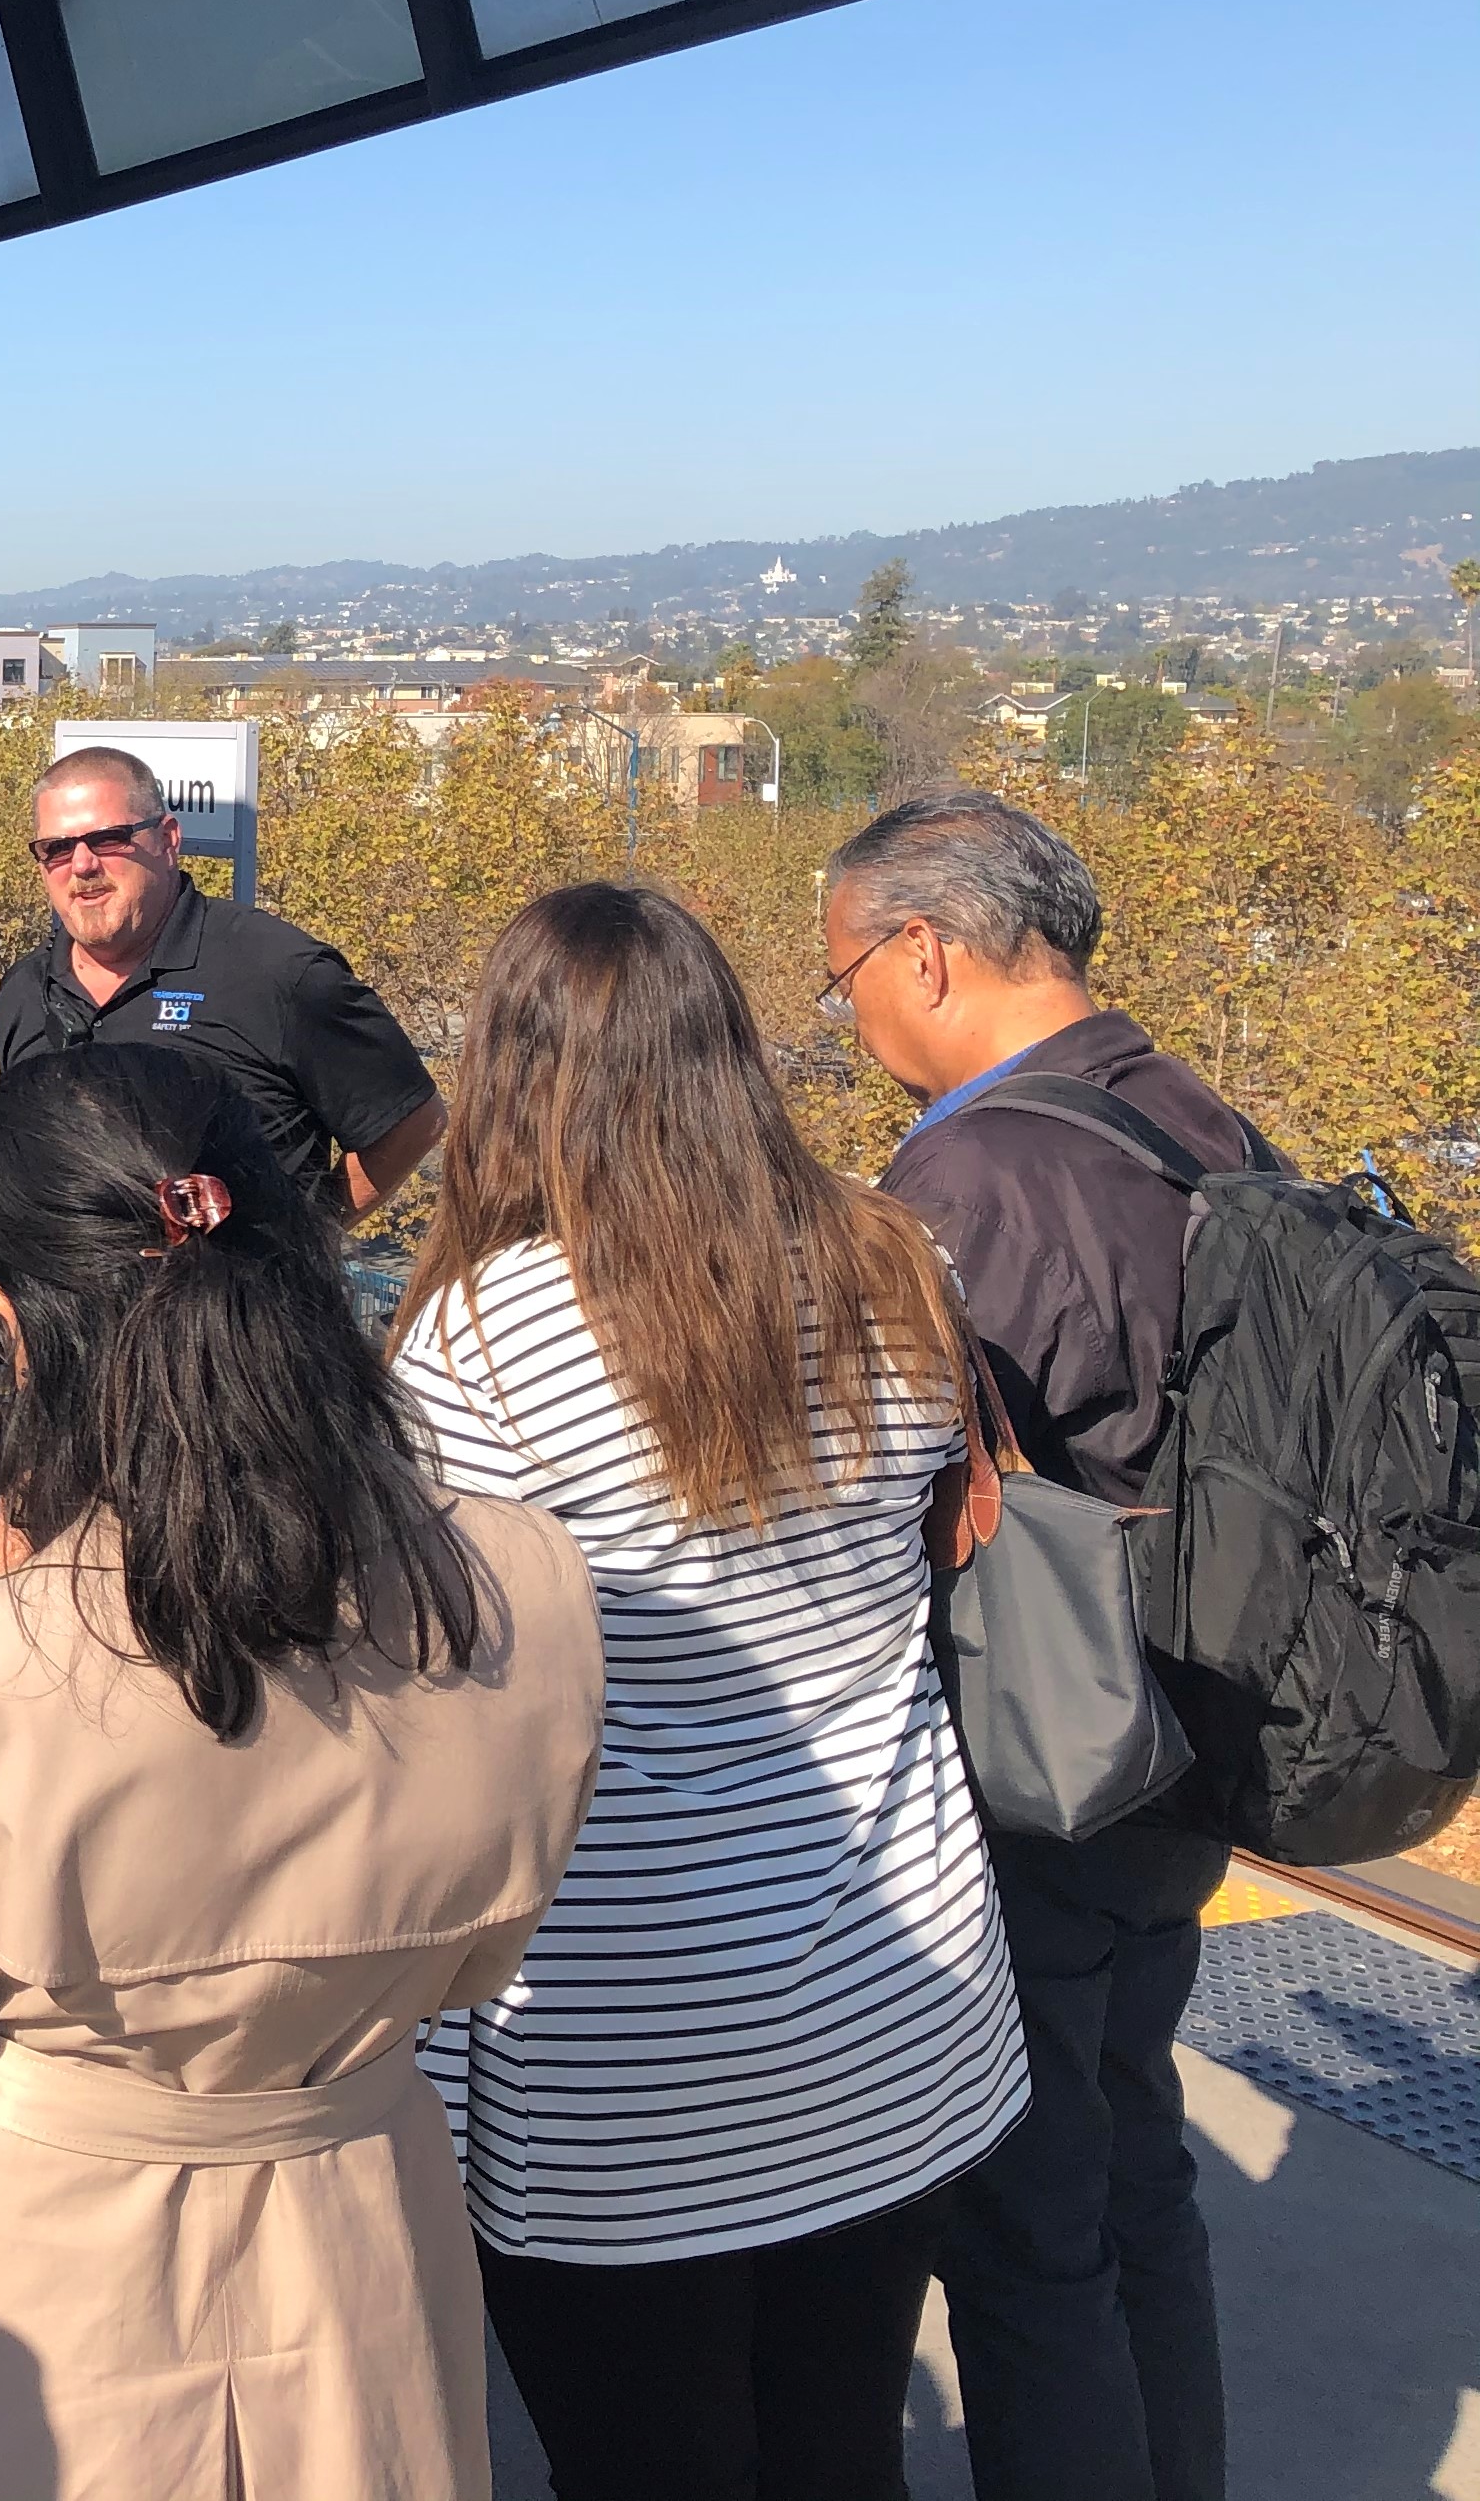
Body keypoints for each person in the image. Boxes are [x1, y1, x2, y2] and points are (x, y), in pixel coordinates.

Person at [0, 1043, 602, 2501]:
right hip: (361, 2253)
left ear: (15, 1326)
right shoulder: (521, 1586)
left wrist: (6, 1615)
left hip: (29, 2300)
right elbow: (473, 1959)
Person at [390, 884, 1026, 2501]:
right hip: (901, 2003)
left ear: (510, 1072)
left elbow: (448, 1692)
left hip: (624, 2052)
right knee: (836, 2451)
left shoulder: (474, 1339)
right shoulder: (898, 1259)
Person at [822, 790, 1257, 2501]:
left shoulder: (969, 1175)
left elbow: (890, 1488)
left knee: (1023, 2234)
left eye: (842, 969)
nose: (844, 1010)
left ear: (922, 947)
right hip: (1184, 1734)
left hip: (1038, 1760)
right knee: (1135, 2174)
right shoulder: (1191, 1111)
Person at [0, 746, 441, 1216]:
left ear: (168, 840)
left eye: (109, 838)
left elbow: (413, 1122)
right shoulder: (25, 991)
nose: (81, 865)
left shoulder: (278, 972)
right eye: (57, 849)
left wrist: (306, 1241)